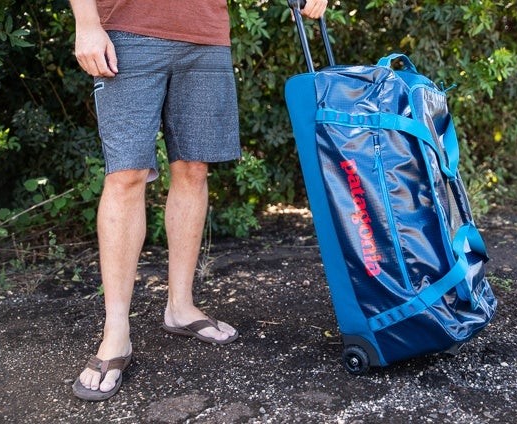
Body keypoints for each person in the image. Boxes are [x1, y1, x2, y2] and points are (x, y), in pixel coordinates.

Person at [69, 0, 328, 401]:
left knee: (193, 168)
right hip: (125, 29)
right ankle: (116, 330)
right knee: (126, 174)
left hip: (205, 33)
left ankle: (181, 306)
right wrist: (86, 23)